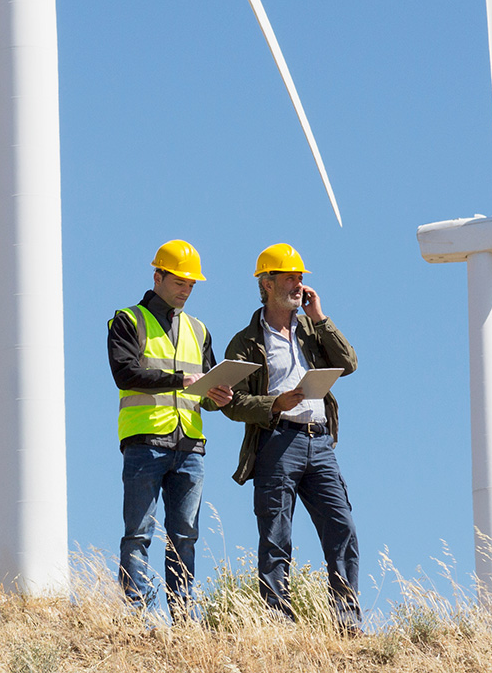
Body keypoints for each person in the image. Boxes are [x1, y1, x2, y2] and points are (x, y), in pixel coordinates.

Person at [221, 243, 361, 632]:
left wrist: (321, 317)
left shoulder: (311, 330)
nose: (298, 284)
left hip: (319, 442)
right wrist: (274, 404)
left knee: (342, 528)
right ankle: (278, 622)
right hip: (277, 442)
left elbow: (347, 363)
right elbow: (232, 403)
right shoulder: (247, 341)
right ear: (266, 283)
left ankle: (346, 620)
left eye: (300, 278)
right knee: (277, 533)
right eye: (289, 277)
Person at [107, 239, 235, 620]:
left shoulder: (199, 329)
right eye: (180, 282)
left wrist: (219, 395)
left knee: (185, 537)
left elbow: (205, 386)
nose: (186, 290)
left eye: (191, 284)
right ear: (157, 276)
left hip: (190, 445)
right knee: (139, 533)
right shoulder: (127, 320)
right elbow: (125, 372)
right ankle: (137, 617)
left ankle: (184, 618)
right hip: (145, 441)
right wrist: (180, 379)